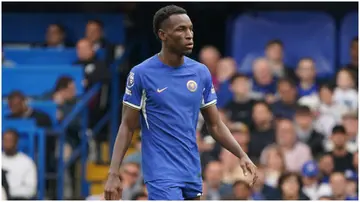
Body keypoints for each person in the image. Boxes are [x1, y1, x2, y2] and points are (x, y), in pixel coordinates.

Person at [104, 5, 257, 200]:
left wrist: (241, 154)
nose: (189, 34)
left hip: (191, 169)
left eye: (190, 29)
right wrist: (113, 173)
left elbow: (215, 125)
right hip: (160, 172)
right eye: (181, 29)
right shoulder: (141, 74)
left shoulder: (200, 73)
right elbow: (127, 126)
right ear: (163, 35)